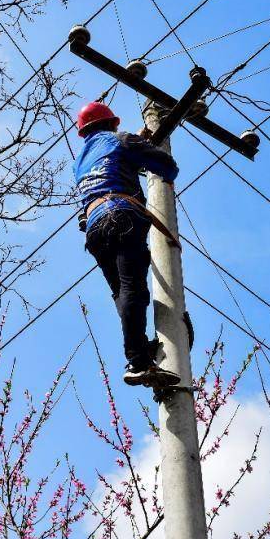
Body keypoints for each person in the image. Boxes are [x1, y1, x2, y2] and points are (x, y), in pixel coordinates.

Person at [73, 101, 181, 388]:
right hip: (122, 215)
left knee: (122, 293)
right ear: (112, 122)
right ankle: (137, 361)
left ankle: (139, 350)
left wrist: (136, 144)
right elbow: (166, 165)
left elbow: (112, 162)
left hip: (94, 228)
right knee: (133, 288)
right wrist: (165, 174)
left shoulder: (81, 161)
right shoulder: (121, 139)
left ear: (84, 132)